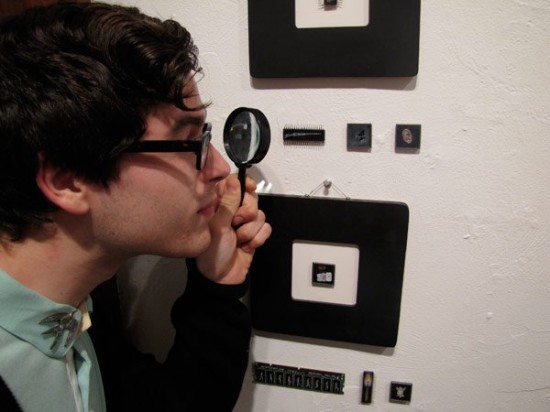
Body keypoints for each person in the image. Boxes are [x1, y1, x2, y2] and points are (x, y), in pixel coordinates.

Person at [0, 2, 271, 411]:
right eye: (189, 142)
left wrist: (218, 284)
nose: (218, 168)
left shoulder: (78, 312)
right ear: (67, 180)